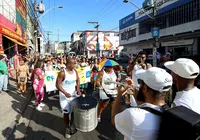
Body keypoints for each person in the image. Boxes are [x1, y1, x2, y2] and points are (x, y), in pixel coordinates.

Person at [112, 67, 173, 140]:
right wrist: (134, 89)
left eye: (141, 82)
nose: (139, 85)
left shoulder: (133, 115)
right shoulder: (171, 111)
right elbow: (146, 105)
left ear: (144, 88)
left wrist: (119, 95)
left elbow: (114, 119)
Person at [56, 57, 81, 138]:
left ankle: (72, 125)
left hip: (73, 96)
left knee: (74, 111)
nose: (75, 65)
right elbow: (57, 85)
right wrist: (65, 93)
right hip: (64, 98)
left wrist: (78, 89)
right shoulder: (62, 73)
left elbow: (78, 80)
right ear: (69, 64)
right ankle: (67, 128)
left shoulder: (75, 71)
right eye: (74, 63)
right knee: (66, 113)